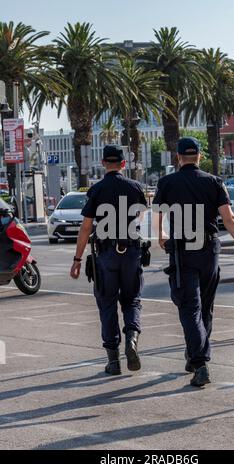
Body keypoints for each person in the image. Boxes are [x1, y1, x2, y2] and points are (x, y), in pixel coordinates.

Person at [152, 137, 234, 387]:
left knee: (189, 307)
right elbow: (229, 219)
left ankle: (199, 362)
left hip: (183, 250)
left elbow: (156, 214)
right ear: (199, 156)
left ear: (177, 157)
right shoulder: (213, 182)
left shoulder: (166, 183)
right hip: (209, 249)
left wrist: (160, 235)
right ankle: (195, 355)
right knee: (205, 307)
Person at [70, 145, 147, 375]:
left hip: (105, 252)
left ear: (103, 163)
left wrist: (77, 259)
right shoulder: (135, 187)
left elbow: (85, 228)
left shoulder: (97, 190)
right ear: (123, 164)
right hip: (131, 250)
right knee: (132, 300)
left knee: (106, 303)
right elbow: (141, 214)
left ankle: (113, 361)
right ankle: (131, 338)